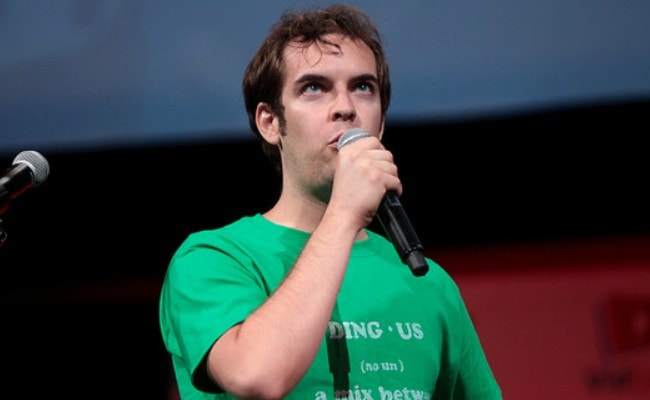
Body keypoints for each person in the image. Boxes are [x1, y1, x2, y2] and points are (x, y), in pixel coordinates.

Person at [159, 3, 502, 399]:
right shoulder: (213, 259)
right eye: (314, 88)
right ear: (270, 123)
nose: (345, 108)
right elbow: (257, 376)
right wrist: (343, 215)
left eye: (362, 87)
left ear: (382, 121)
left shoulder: (429, 284)